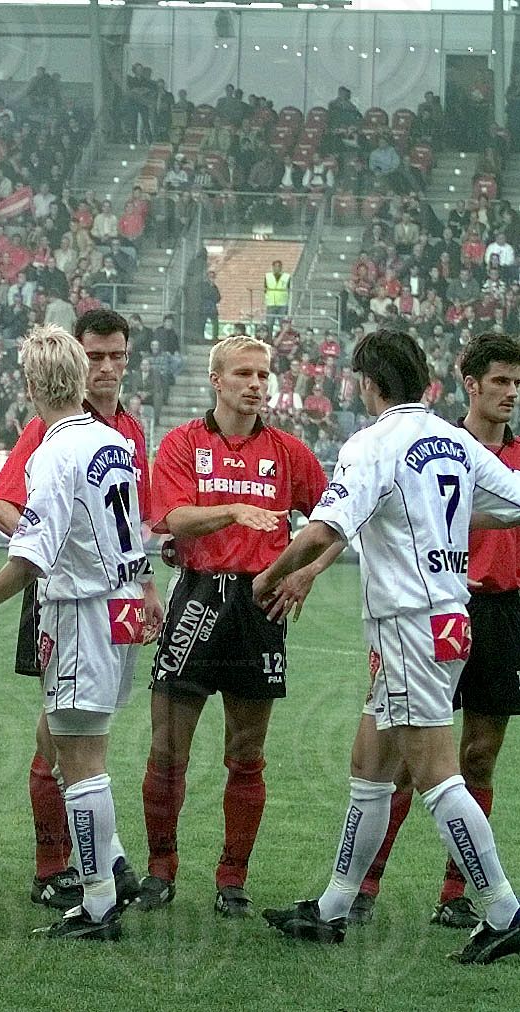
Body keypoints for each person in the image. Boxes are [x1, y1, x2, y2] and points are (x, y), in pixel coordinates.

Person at [256, 328, 520, 964]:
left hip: (408, 623)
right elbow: (512, 505)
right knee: (370, 765)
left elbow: (325, 528)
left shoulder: (372, 443)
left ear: (368, 384)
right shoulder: (452, 439)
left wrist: (268, 575)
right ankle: (333, 907)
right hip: (447, 618)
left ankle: (505, 911)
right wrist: (443, 524)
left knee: (436, 775)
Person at [0, 324, 155, 941]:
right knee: (76, 749)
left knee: (81, 761)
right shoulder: (113, 441)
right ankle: (111, 871)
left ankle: (98, 902)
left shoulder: (54, 453)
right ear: (82, 378)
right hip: (120, 606)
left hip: (82, 612)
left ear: (31, 385)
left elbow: (31, 555)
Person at [138, 334, 328, 918]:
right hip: (198, 598)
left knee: (247, 754)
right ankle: (160, 870)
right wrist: (233, 510)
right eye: (244, 373)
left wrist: (306, 573)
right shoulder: (182, 443)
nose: (256, 384)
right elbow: (172, 518)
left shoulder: (290, 452)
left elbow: (337, 519)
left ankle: (232, 879)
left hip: (260, 603)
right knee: (168, 751)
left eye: (263, 374)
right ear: (216, 380)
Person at [351, 333, 520, 928]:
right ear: (467, 384)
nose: (510, 392)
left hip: (486, 615)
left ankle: (469, 898)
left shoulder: (506, 458)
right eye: (500, 381)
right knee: (393, 761)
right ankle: (353, 894)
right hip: (445, 611)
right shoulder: (443, 443)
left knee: (469, 761)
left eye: (516, 383)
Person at [264, 260, 289, 330]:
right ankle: (269, 336)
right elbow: (265, 289)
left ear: (281, 267)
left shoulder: (286, 277)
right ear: (272, 267)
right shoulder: (268, 276)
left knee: (283, 324)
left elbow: (289, 288)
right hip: (271, 303)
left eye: (279, 266)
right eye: (275, 266)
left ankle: (283, 336)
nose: (277, 268)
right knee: (269, 324)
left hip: (282, 304)